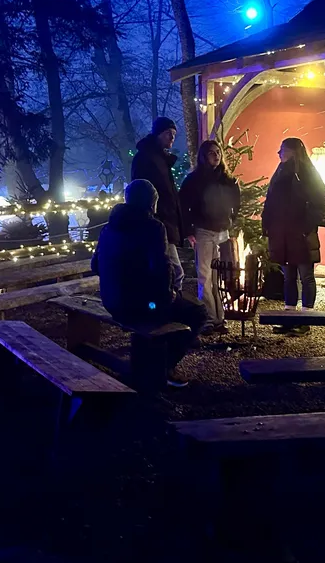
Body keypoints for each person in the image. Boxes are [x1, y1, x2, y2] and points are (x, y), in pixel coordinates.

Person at [91, 179, 207, 387]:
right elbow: (161, 269)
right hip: (141, 306)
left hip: (112, 302)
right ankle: (166, 367)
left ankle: (151, 365)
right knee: (197, 311)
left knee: (172, 307)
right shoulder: (152, 226)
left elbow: (95, 265)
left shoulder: (110, 226)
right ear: (151, 201)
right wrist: (166, 298)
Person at [262, 137, 325, 335]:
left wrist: (305, 226)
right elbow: (271, 201)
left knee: (306, 276)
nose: (279, 154)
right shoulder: (280, 172)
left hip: (300, 233)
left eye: (282, 150)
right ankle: (289, 317)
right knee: (288, 277)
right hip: (282, 233)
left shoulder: (307, 173)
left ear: (293, 151)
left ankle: (306, 320)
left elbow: (320, 202)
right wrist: (267, 225)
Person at [179, 140, 240, 334]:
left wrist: (231, 219)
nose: (216, 156)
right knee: (205, 276)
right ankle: (208, 317)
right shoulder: (194, 180)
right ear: (204, 156)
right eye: (212, 153)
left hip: (222, 231)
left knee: (218, 277)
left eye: (218, 152)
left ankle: (219, 317)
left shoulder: (227, 179)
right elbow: (183, 206)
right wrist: (189, 230)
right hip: (203, 231)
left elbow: (236, 201)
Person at [130, 116, 185, 293]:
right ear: (158, 134)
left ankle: (165, 310)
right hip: (157, 224)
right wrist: (151, 219)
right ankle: (169, 311)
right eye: (168, 133)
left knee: (168, 272)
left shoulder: (162, 160)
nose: (172, 137)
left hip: (165, 222)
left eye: (174, 134)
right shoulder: (146, 159)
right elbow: (140, 191)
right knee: (174, 272)